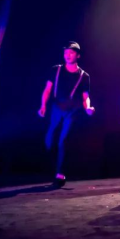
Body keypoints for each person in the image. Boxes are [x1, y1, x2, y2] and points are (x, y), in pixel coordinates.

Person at [38, 41, 94, 188]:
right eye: (66, 52)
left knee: (64, 140)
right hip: (57, 108)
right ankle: (54, 167)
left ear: (78, 55)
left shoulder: (84, 76)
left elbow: (85, 97)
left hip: (73, 110)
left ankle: (60, 173)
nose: (68, 55)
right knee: (50, 140)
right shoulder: (56, 70)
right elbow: (47, 89)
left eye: (71, 52)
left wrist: (88, 107)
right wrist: (43, 105)